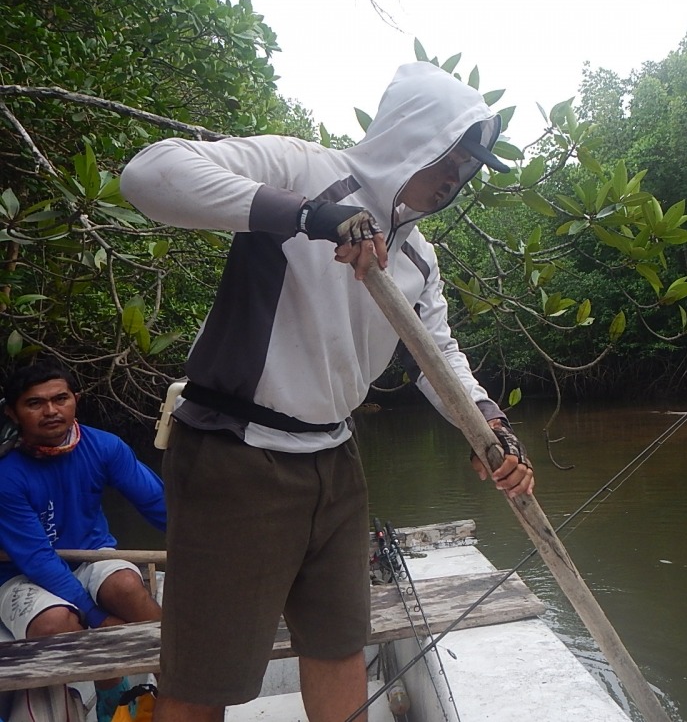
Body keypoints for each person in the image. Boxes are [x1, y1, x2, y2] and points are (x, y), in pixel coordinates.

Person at [119, 61, 535, 722]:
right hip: (237, 453)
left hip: (336, 461)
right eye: (451, 154)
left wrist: (485, 423)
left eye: (470, 164)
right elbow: (147, 175)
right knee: (204, 675)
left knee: (341, 644)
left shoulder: (418, 255)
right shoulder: (301, 168)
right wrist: (311, 217)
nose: (459, 175)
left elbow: (437, 354)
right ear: (413, 135)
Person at [0, 361, 166, 722]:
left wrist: (210, 547)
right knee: (55, 623)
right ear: (12, 412)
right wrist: (96, 618)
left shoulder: (105, 446)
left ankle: (177, 690)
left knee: (125, 585)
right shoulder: (6, 472)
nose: (51, 411)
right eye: (35, 403)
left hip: (90, 556)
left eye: (61, 399)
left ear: (76, 399)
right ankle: (97, 701)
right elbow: (37, 559)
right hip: (19, 573)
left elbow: (160, 506)